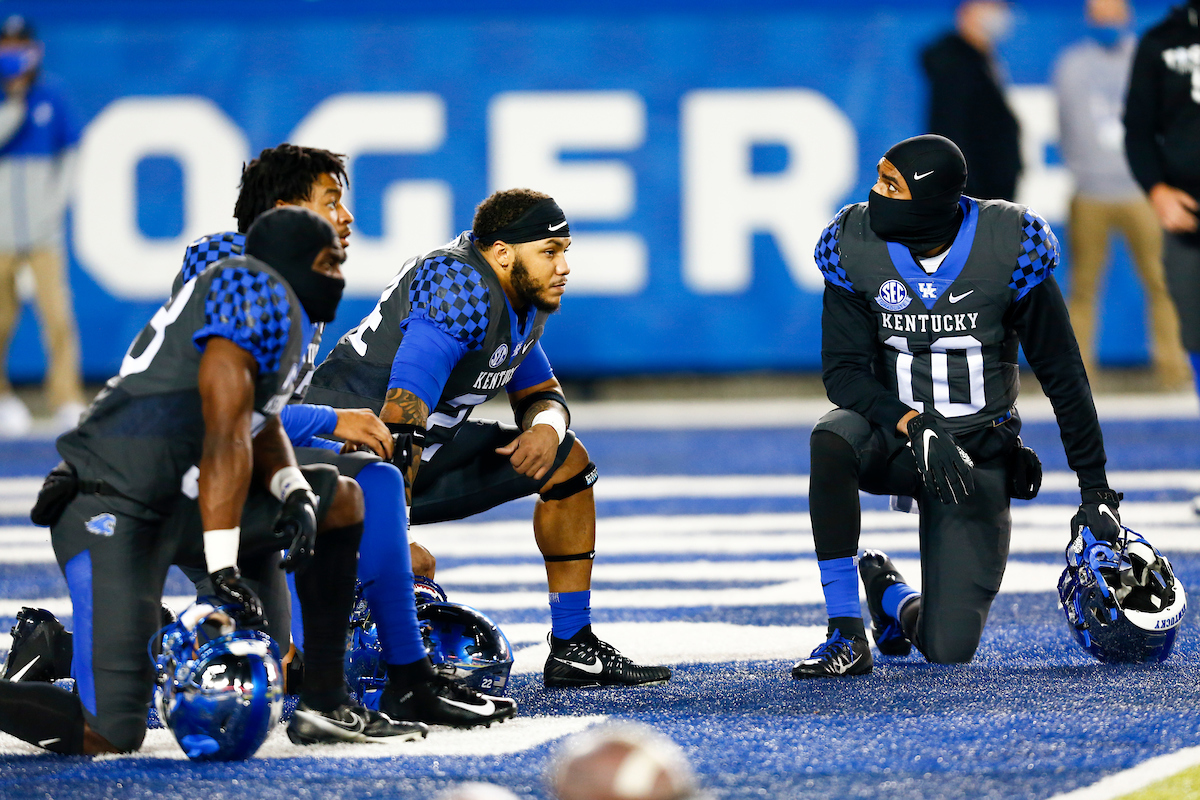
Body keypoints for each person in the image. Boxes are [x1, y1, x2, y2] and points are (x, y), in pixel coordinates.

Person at [0, 207, 427, 754]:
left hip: (182, 498)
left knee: (334, 505)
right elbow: (224, 433)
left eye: (339, 262)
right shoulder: (248, 291)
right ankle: (69, 648)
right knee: (108, 734)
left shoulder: (284, 311)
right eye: (326, 261)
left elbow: (259, 416)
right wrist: (224, 566)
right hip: (116, 508)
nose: (338, 275)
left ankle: (325, 703)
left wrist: (293, 490)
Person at [177, 143, 513, 728]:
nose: (348, 216)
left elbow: (261, 417)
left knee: (370, 480)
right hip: (190, 469)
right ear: (286, 210)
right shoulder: (234, 273)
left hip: (239, 456)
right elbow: (222, 415)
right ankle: (395, 678)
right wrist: (335, 421)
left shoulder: (305, 279)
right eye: (331, 201)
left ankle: (401, 679)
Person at [306, 188, 672, 697]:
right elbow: (400, 420)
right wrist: (393, 538)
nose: (563, 266)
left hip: (417, 455)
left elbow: (542, 393)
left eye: (565, 250)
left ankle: (573, 646)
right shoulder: (460, 287)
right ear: (502, 253)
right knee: (331, 632)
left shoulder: (520, 292)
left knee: (567, 462)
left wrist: (547, 428)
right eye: (550, 252)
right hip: (341, 461)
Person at [793, 134, 1122, 678]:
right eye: (878, 178)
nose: (874, 193)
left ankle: (891, 599)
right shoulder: (853, 243)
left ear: (930, 198)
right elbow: (843, 373)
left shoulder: (1007, 245)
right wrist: (912, 421)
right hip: (895, 439)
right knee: (831, 437)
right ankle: (845, 634)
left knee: (948, 647)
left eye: (890, 184)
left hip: (975, 452)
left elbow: (1063, 374)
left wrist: (1097, 490)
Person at [1054, 0, 1190, 390]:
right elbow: (1066, 125)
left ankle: (1174, 371)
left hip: (1140, 191)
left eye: (1113, 16)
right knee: (1083, 288)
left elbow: (1168, 119)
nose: (1107, 24)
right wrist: (1084, 169)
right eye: (1100, 16)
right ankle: (1077, 378)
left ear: (1127, 18)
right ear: (1088, 20)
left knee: (1162, 283)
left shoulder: (1147, 60)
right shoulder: (1072, 64)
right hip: (1090, 192)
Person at [0, 14, 86, 435]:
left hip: (43, 235)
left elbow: (70, 156)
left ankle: (66, 398)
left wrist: (50, 212)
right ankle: (2, 399)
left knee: (57, 318)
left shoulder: (53, 94)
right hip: (0, 237)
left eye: (20, 45)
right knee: (0, 321)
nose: (13, 52)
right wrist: (13, 99)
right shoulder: (7, 98)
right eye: (6, 44)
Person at [1124, 1, 1200, 399]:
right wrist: (1157, 190)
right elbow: (1137, 130)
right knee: (1196, 327)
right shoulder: (1160, 42)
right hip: (1189, 213)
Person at [921, 0, 1022, 202]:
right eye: (992, 5)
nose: (1000, 12)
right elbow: (949, 133)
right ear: (967, 11)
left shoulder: (981, 59)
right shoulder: (955, 66)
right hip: (976, 196)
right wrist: (968, 196)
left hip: (989, 193)